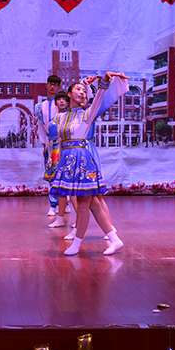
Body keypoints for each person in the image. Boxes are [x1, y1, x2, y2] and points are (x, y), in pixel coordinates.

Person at [48, 72, 129, 256]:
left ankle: (76, 244)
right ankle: (115, 239)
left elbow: (99, 98)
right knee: (93, 204)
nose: (82, 92)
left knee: (84, 205)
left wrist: (105, 80)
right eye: (78, 89)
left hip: (82, 161)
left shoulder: (87, 114)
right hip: (68, 161)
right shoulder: (60, 118)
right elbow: (58, 141)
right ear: (69, 94)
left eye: (84, 91)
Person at [36, 75, 74, 226]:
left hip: (64, 143)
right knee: (52, 173)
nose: (52, 87)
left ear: (59, 86)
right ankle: (53, 205)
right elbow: (41, 127)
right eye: (50, 84)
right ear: (46, 85)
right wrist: (44, 143)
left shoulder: (63, 104)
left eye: (55, 85)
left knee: (65, 172)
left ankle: (66, 203)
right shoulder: (40, 107)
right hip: (50, 143)